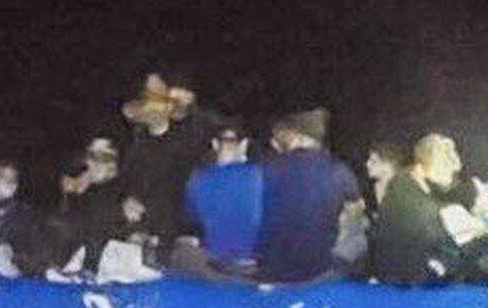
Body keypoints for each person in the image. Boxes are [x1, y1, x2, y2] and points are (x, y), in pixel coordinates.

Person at [373, 134, 488, 283]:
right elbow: (438, 220)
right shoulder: (403, 186)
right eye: (442, 169)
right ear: (420, 169)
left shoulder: (434, 185)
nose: (450, 177)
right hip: (403, 278)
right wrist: (480, 224)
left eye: (451, 171)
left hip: (423, 271)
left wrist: (483, 209)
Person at [256, 108, 364, 282]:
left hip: (271, 270)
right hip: (320, 271)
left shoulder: (267, 169)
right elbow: (356, 213)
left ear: (296, 135)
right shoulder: (339, 171)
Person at [119, 76, 212, 244]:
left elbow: (186, 192)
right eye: (148, 102)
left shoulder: (190, 143)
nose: (153, 108)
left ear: (168, 107)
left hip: (179, 233)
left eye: (158, 102)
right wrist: (127, 199)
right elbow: (124, 182)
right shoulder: (135, 145)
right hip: (139, 231)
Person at [183, 124, 264, 268]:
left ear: (215, 144)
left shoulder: (197, 179)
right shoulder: (260, 176)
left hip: (214, 265)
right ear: (244, 144)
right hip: (254, 265)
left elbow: (192, 219)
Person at [60, 137, 128, 271]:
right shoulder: (75, 194)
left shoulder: (124, 194)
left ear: (114, 163)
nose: (97, 162)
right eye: (92, 156)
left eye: (105, 157)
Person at [365, 141, 406, 209]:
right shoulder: (369, 189)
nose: (367, 164)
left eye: (373, 162)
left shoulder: (404, 190)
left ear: (388, 165)